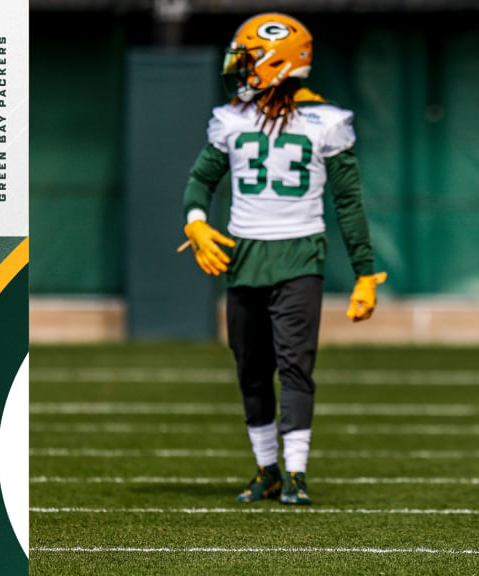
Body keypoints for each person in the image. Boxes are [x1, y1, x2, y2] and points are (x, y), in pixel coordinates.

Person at [179, 12, 387, 506]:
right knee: (250, 367)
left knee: (294, 365)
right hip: (244, 255)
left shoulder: (324, 121)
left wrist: (364, 274)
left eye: (250, 59)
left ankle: (295, 472)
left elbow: (349, 202)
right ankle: (266, 469)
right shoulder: (232, 118)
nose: (240, 67)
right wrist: (194, 219)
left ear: (277, 63)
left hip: (298, 255)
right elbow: (200, 180)